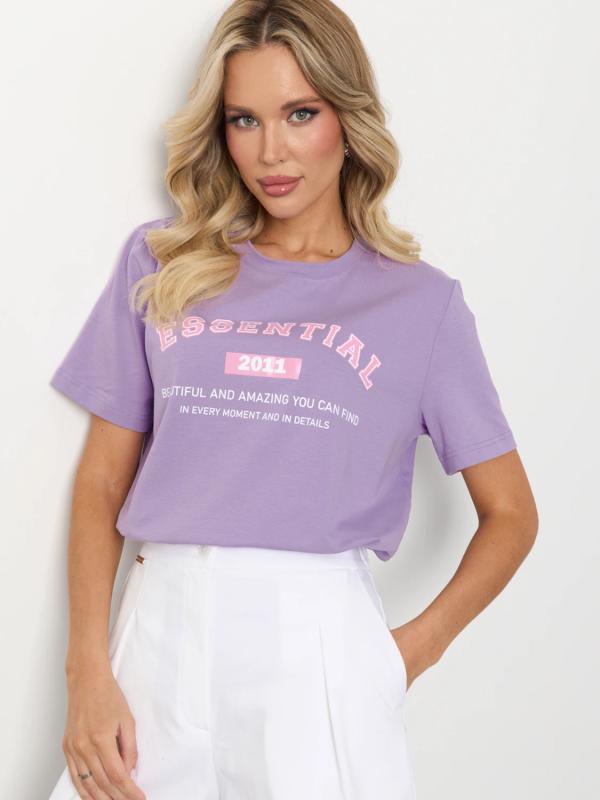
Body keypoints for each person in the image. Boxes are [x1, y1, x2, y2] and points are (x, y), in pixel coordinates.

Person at [47, 0, 538, 798]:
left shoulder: (420, 306)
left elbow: (512, 513)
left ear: (348, 117)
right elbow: (103, 480)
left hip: (317, 658)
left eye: (299, 114)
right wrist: (87, 671)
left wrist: (403, 656)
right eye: (244, 120)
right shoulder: (163, 263)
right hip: (158, 635)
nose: (270, 151)